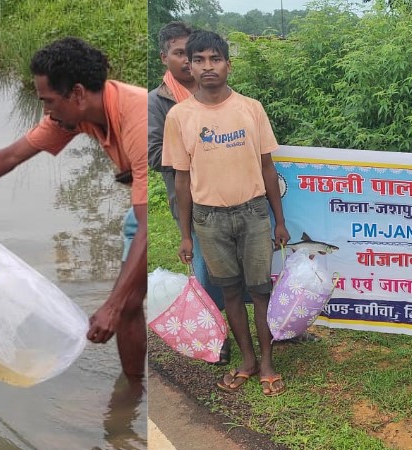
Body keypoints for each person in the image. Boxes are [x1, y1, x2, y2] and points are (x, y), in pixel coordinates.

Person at [0, 37, 147, 383]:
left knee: (126, 302)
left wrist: (110, 306)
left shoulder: (141, 120)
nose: (47, 112)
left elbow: (150, 225)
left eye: (49, 101)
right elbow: (11, 156)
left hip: (173, 201)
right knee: (129, 302)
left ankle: (141, 391)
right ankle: (132, 391)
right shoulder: (75, 114)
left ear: (78, 94)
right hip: (143, 205)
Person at [162, 30, 290, 396]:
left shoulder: (251, 108)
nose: (207, 67)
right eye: (198, 60)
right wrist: (185, 234)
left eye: (214, 59)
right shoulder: (179, 116)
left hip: (253, 213)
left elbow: (267, 168)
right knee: (231, 292)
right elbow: (182, 182)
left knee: (260, 290)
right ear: (189, 66)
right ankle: (247, 360)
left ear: (228, 65)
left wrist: (278, 220)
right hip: (209, 220)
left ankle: (267, 361)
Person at [148, 22, 232, 366]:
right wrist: (202, 149)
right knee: (205, 268)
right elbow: (154, 154)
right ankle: (215, 336)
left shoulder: (216, 91)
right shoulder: (158, 102)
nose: (189, 62)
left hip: (230, 197)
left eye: (192, 54)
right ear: (164, 57)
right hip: (191, 201)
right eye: (181, 54)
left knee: (235, 265)